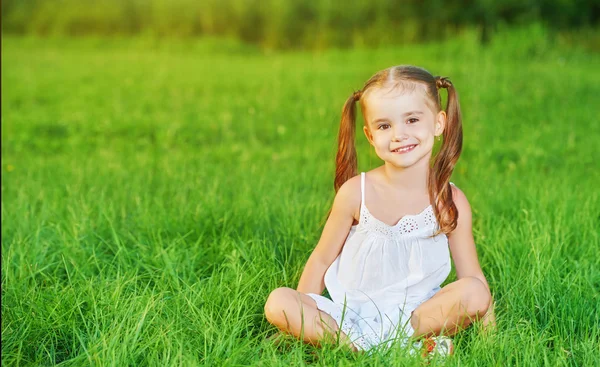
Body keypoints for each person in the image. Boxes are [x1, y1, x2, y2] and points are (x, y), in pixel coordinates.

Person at [264, 65, 496, 355]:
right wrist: (302, 313)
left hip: (416, 318)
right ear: (370, 135)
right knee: (278, 302)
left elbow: (472, 275)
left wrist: (492, 343)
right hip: (349, 317)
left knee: (474, 292)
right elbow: (321, 259)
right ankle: (374, 349)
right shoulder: (356, 193)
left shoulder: (450, 201)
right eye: (384, 126)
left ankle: (385, 346)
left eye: (412, 119)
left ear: (439, 123)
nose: (399, 134)